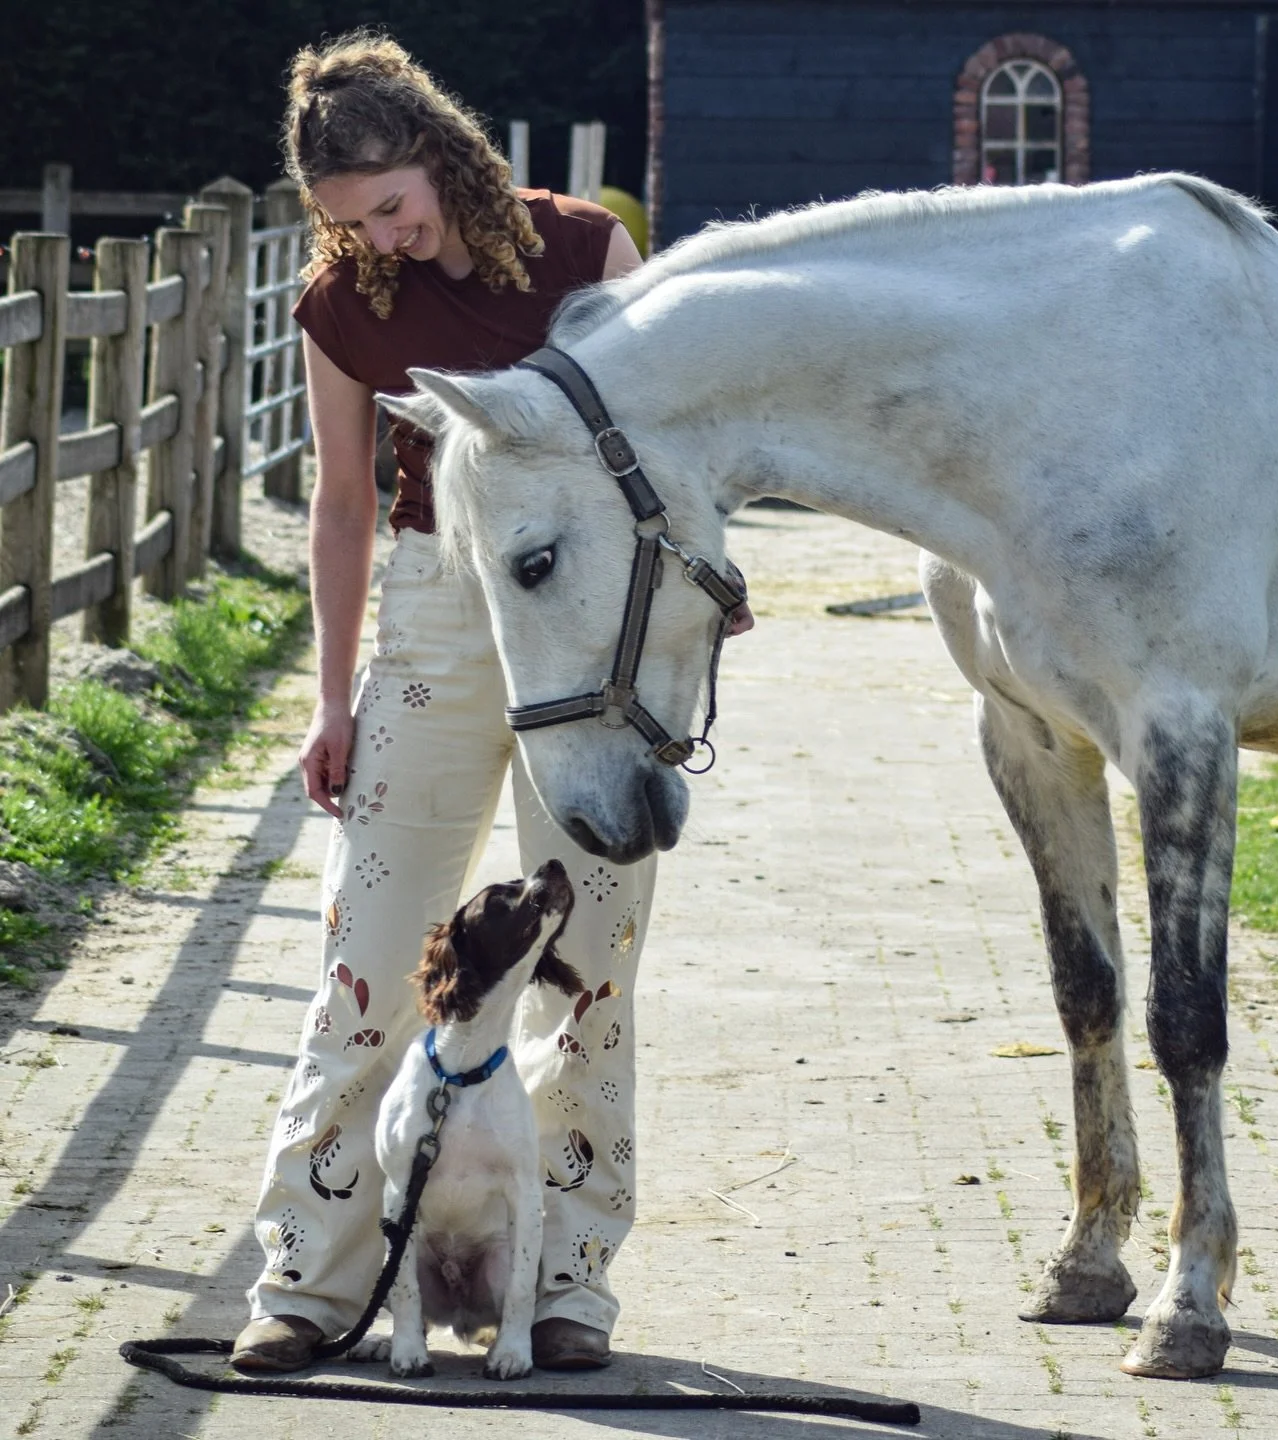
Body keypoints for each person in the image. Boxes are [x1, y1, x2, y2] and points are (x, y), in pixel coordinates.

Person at [232, 31, 748, 1376]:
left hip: (585, 616)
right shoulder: (343, 305)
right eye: (351, 223)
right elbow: (341, 505)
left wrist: (698, 599)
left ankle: (566, 1282)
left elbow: (676, 442)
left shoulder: (587, 251)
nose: (383, 240)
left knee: (590, 967)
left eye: (394, 209)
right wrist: (331, 695)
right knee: (368, 949)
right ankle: (314, 1273)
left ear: (444, 157)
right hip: (436, 613)